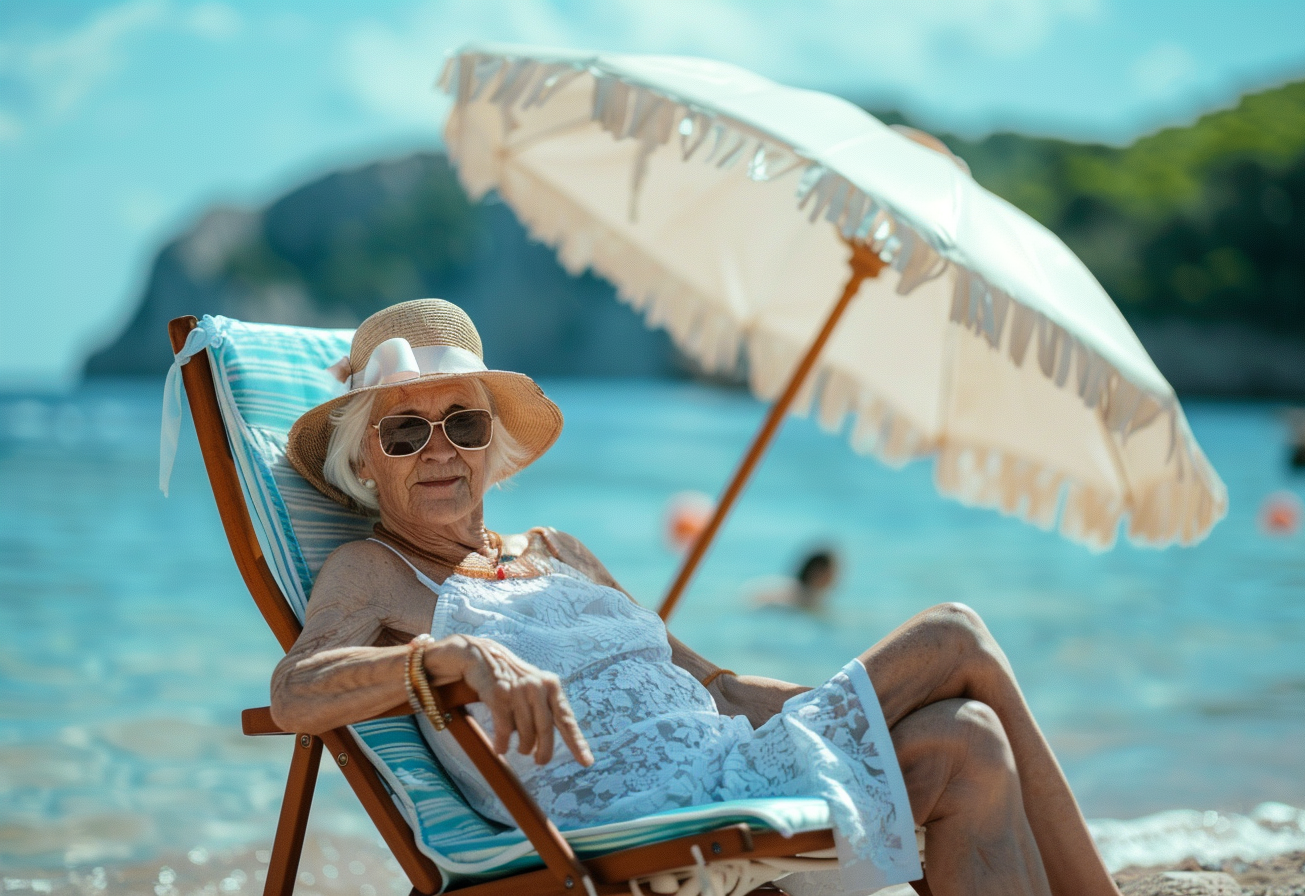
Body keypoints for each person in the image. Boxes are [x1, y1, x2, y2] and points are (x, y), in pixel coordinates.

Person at [272, 299, 1123, 896]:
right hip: (638, 817)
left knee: (965, 737)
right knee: (955, 633)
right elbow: (296, 692)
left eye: (463, 422)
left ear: (490, 443)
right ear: (364, 459)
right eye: (404, 430)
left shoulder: (560, 550)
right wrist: (444, 659)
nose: (440, 450)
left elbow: (715, 686)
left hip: (726, 762)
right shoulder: (375, 569)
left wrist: (849, 706)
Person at [750, 547, 841, 613]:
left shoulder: (791, 585)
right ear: (817, 572)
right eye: (831, 572)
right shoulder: (804, 596)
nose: (835, 578)